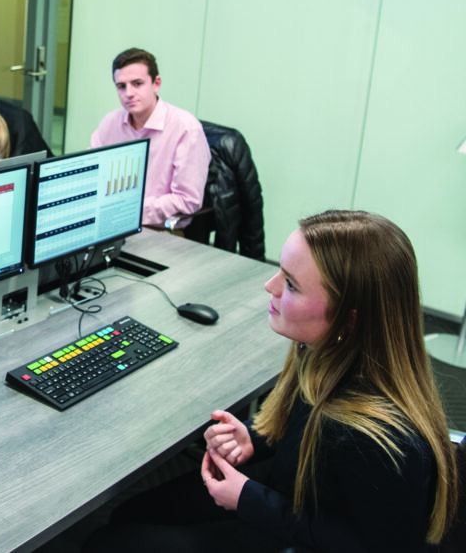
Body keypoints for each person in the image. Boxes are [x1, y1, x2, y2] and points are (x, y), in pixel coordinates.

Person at [83, 210, 458, 552]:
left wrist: (248, 499)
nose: (270, 286)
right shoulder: (322, 353)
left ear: (350, 321)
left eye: (291, 285)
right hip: (289, 499)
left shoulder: (375, 438)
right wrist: (255, 436)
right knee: (132, 510)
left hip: (294, 530)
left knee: (107, 542)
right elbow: (301, 429)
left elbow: (376, 547)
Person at [90, 47, 210, 228]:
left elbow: (188, 201)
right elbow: (92, 177)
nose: (128, 93)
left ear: (156, 83)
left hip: (158, 230)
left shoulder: (186, 128)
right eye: (121, 86)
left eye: (137, 84)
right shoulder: (110, 123)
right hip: (109, 223)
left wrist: (127, 210)